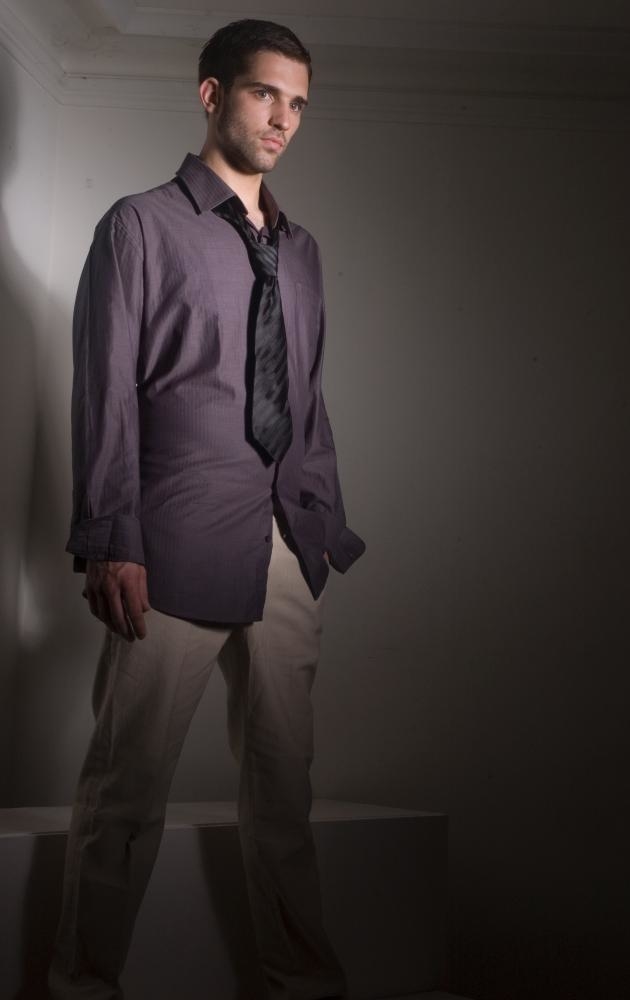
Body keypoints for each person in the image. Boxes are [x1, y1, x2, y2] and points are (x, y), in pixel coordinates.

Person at [48, 18, 364, 1000]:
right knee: (126, 791)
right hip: (169, 545)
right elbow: (105, 391)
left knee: (284, 793)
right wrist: (112, 539)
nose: (283, 119)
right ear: (212, 93)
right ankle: (83, 984)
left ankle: (301, 981)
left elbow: (306, 397)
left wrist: (317, 522)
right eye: (266, 93)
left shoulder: (302, 252)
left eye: (297, 103)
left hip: (285, 546)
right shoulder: (140, 227)